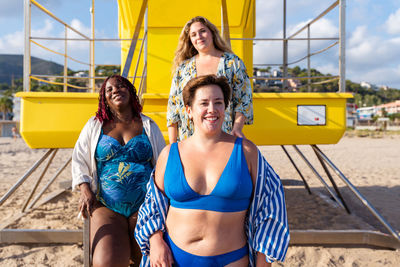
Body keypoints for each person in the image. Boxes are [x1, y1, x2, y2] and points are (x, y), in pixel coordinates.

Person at [135, 75, 289, 267]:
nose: (212, 109)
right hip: (173, 259)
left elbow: (271, 208)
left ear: (225, 108)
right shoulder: (169, 154)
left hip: (232, 259)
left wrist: (263, 262)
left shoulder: (247, 152)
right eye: (204, 103)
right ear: (189, 111)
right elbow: (152, 206)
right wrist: (155, 241)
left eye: (218, 103)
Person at [72, 74, 166, 267]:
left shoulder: (148, 125)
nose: (115, 90)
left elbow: (162, 163)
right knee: (107, 262)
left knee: (149, 260)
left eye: (121, 86)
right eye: (109, 89)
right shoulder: (94, 125)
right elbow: (79, 158)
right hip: (107, 205)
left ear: (131, 92)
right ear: (104, 98)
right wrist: (85, 189)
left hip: (145, 205)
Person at [167, 16, 253, 143]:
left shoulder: (233, 63)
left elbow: (244, 99)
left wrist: (237, 128)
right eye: (193, 35)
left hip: (224, 137)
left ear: (212, 33)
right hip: (189, 140)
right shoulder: (183, 69)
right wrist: (173, 144)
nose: (199, 37)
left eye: (202, 31)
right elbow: (173, 107)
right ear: (190, 40)